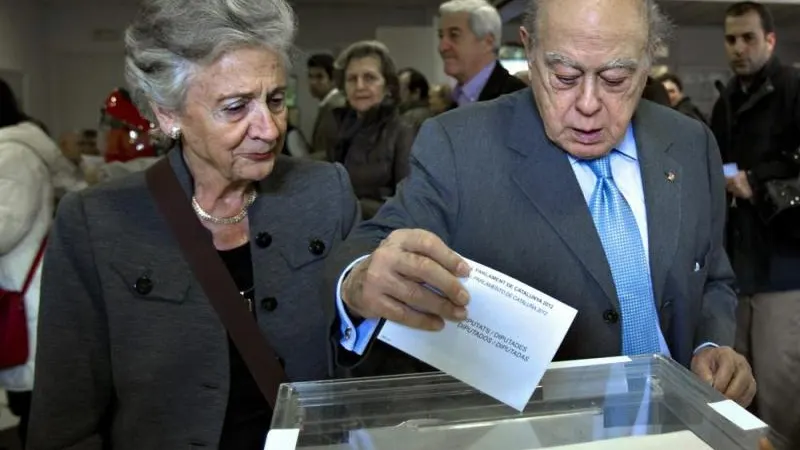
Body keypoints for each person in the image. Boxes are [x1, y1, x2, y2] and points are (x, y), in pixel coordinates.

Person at [324, 0, 757, 411]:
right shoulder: (459, 146)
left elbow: (712, 274)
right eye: (565, 75)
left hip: (675, 418)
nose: (588, 105)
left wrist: (710, 345)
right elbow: (369, 247)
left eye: (615, 79)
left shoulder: (690, 142)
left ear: (647, 61)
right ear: (529, 51)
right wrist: (359, 281)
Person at [26, 0, 359, 448]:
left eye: (276, 100)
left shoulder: (326, 193)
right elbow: (65, 419)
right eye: (236, 107)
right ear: (168, 114)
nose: (268, 128)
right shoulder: (95, 223)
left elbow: (363, 366)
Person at [709, 2, 800, 445]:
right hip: (736, 265)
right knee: (738, 388)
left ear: (770, 40)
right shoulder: (727, 98)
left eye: (748, 38)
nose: (738, 48)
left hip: (784, 265)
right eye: (730, 39)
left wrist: (758, 186)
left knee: (780, 386)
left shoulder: (794, 88)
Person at [330, 41, 415, 220]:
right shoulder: (340, 128)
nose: (359, 86)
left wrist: (354, 207)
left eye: (369, 77)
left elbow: (410, 206)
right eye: (352, 79)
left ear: (388, 87)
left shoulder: (403, 131)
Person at [438, 0, 527, 107]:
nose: (442, 47)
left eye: (454, 35)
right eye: (441, 36)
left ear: (487, 42)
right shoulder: (455, 100)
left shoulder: (517, 99)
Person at [307, 53, 346, 159]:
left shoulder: (337, 107)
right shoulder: (327, 105)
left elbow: (334, 151)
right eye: (310, 76)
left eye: (319, 77)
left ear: (333, 80)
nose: (313, 82)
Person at [398, 67, 433, 132]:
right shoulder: (433, 113)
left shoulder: (410, 119)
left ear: (416, 93)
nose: (397, 93)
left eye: (401, 89)